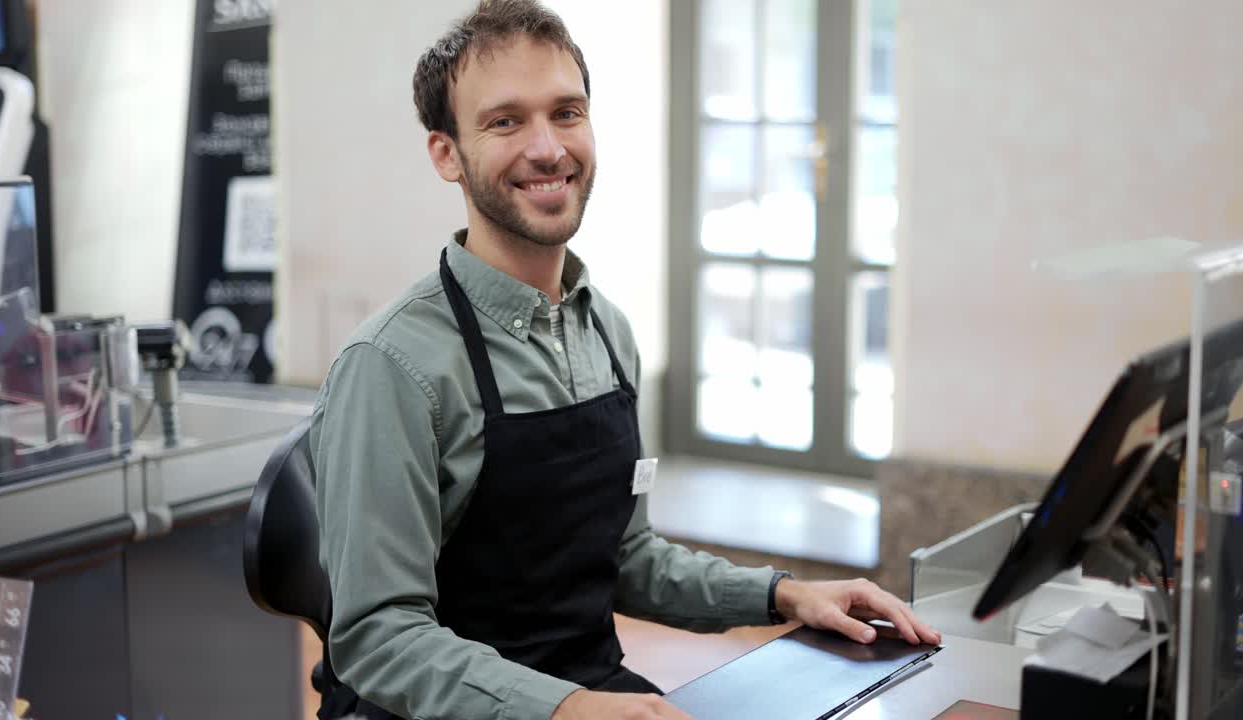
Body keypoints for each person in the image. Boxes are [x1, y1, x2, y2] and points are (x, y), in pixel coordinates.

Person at [311, 1, 941, 718]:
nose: (547, 148)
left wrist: (784, 594)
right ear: (446, 153)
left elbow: (626, 559)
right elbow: (376, 638)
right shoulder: (393, 365)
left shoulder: (607, 332)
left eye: (567, 112)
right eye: (505, 121)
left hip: (593, 693)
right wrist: (563, 710)